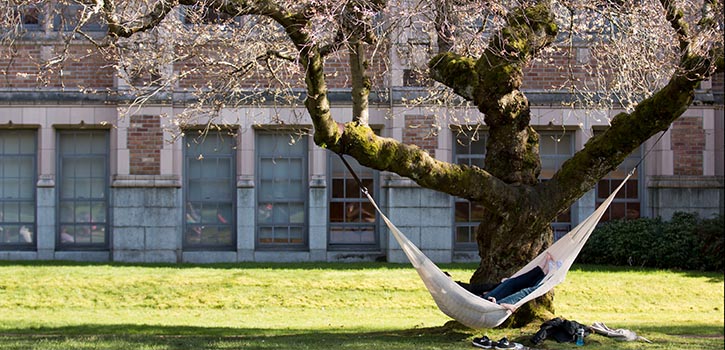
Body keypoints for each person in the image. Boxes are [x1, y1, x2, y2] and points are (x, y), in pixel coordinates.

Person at [458, 252, 562, 312]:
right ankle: (550, 274)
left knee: (511, 283)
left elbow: (474, 289)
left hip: (488, 301)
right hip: (492, 306)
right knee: (524, 292)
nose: (450, 277)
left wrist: (498, 285)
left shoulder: (454, 287)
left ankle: (544, 270)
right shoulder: (451, 292)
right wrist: (501, 305)